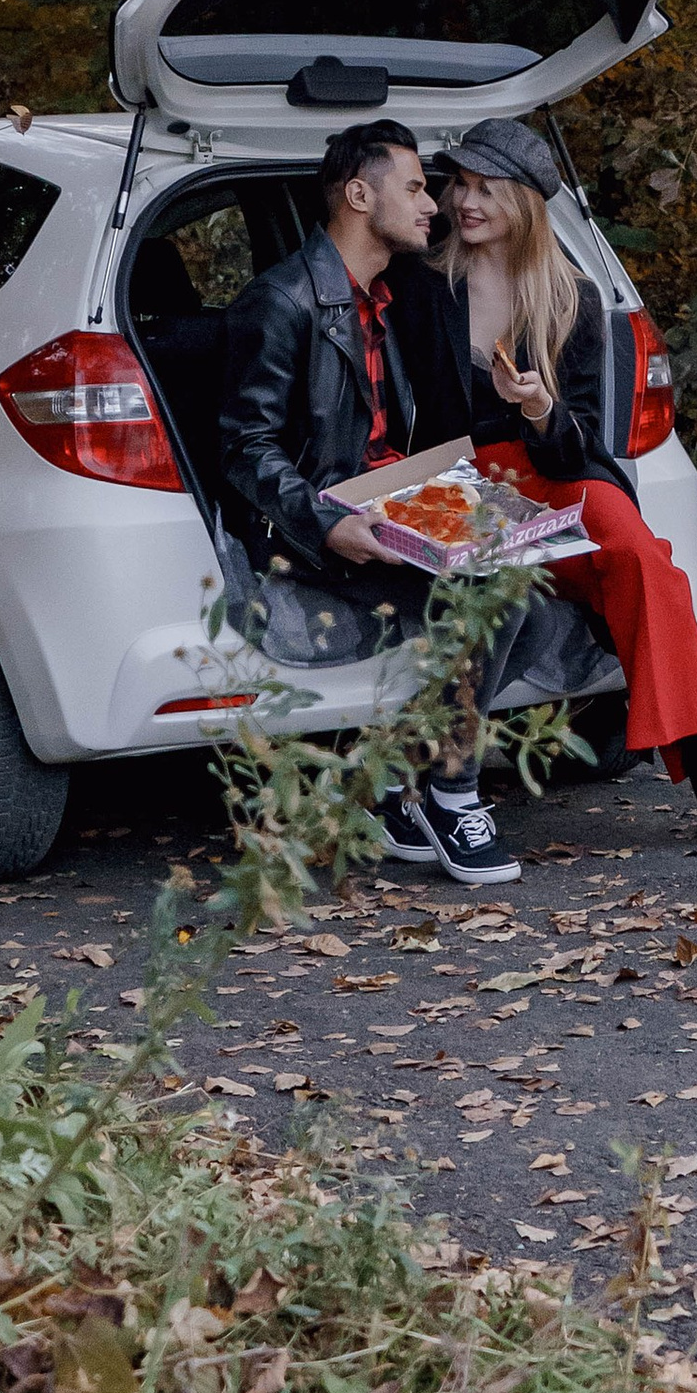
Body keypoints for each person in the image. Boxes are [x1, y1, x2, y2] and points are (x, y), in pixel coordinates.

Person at [405, 118, 697, 848]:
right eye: (462, 186)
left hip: (555, 469)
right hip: (473, 489)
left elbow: (579, 447)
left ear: (525, 203)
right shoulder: (425, 282)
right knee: (655, 592)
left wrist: (541, 409)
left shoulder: (570, 297)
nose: (466, 202)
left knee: (642, 564)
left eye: (487, 190)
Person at [218, 117, 524, 888]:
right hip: (315, 529)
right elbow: (245, 449)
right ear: (361, 193)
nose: (435, 205)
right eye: (418, 187)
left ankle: (392, 788)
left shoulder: (396, 297)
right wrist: (332, 522)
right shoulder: (282, 301)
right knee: (486, 592)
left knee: (515, 562)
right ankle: (450, 793)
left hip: (398, 504)